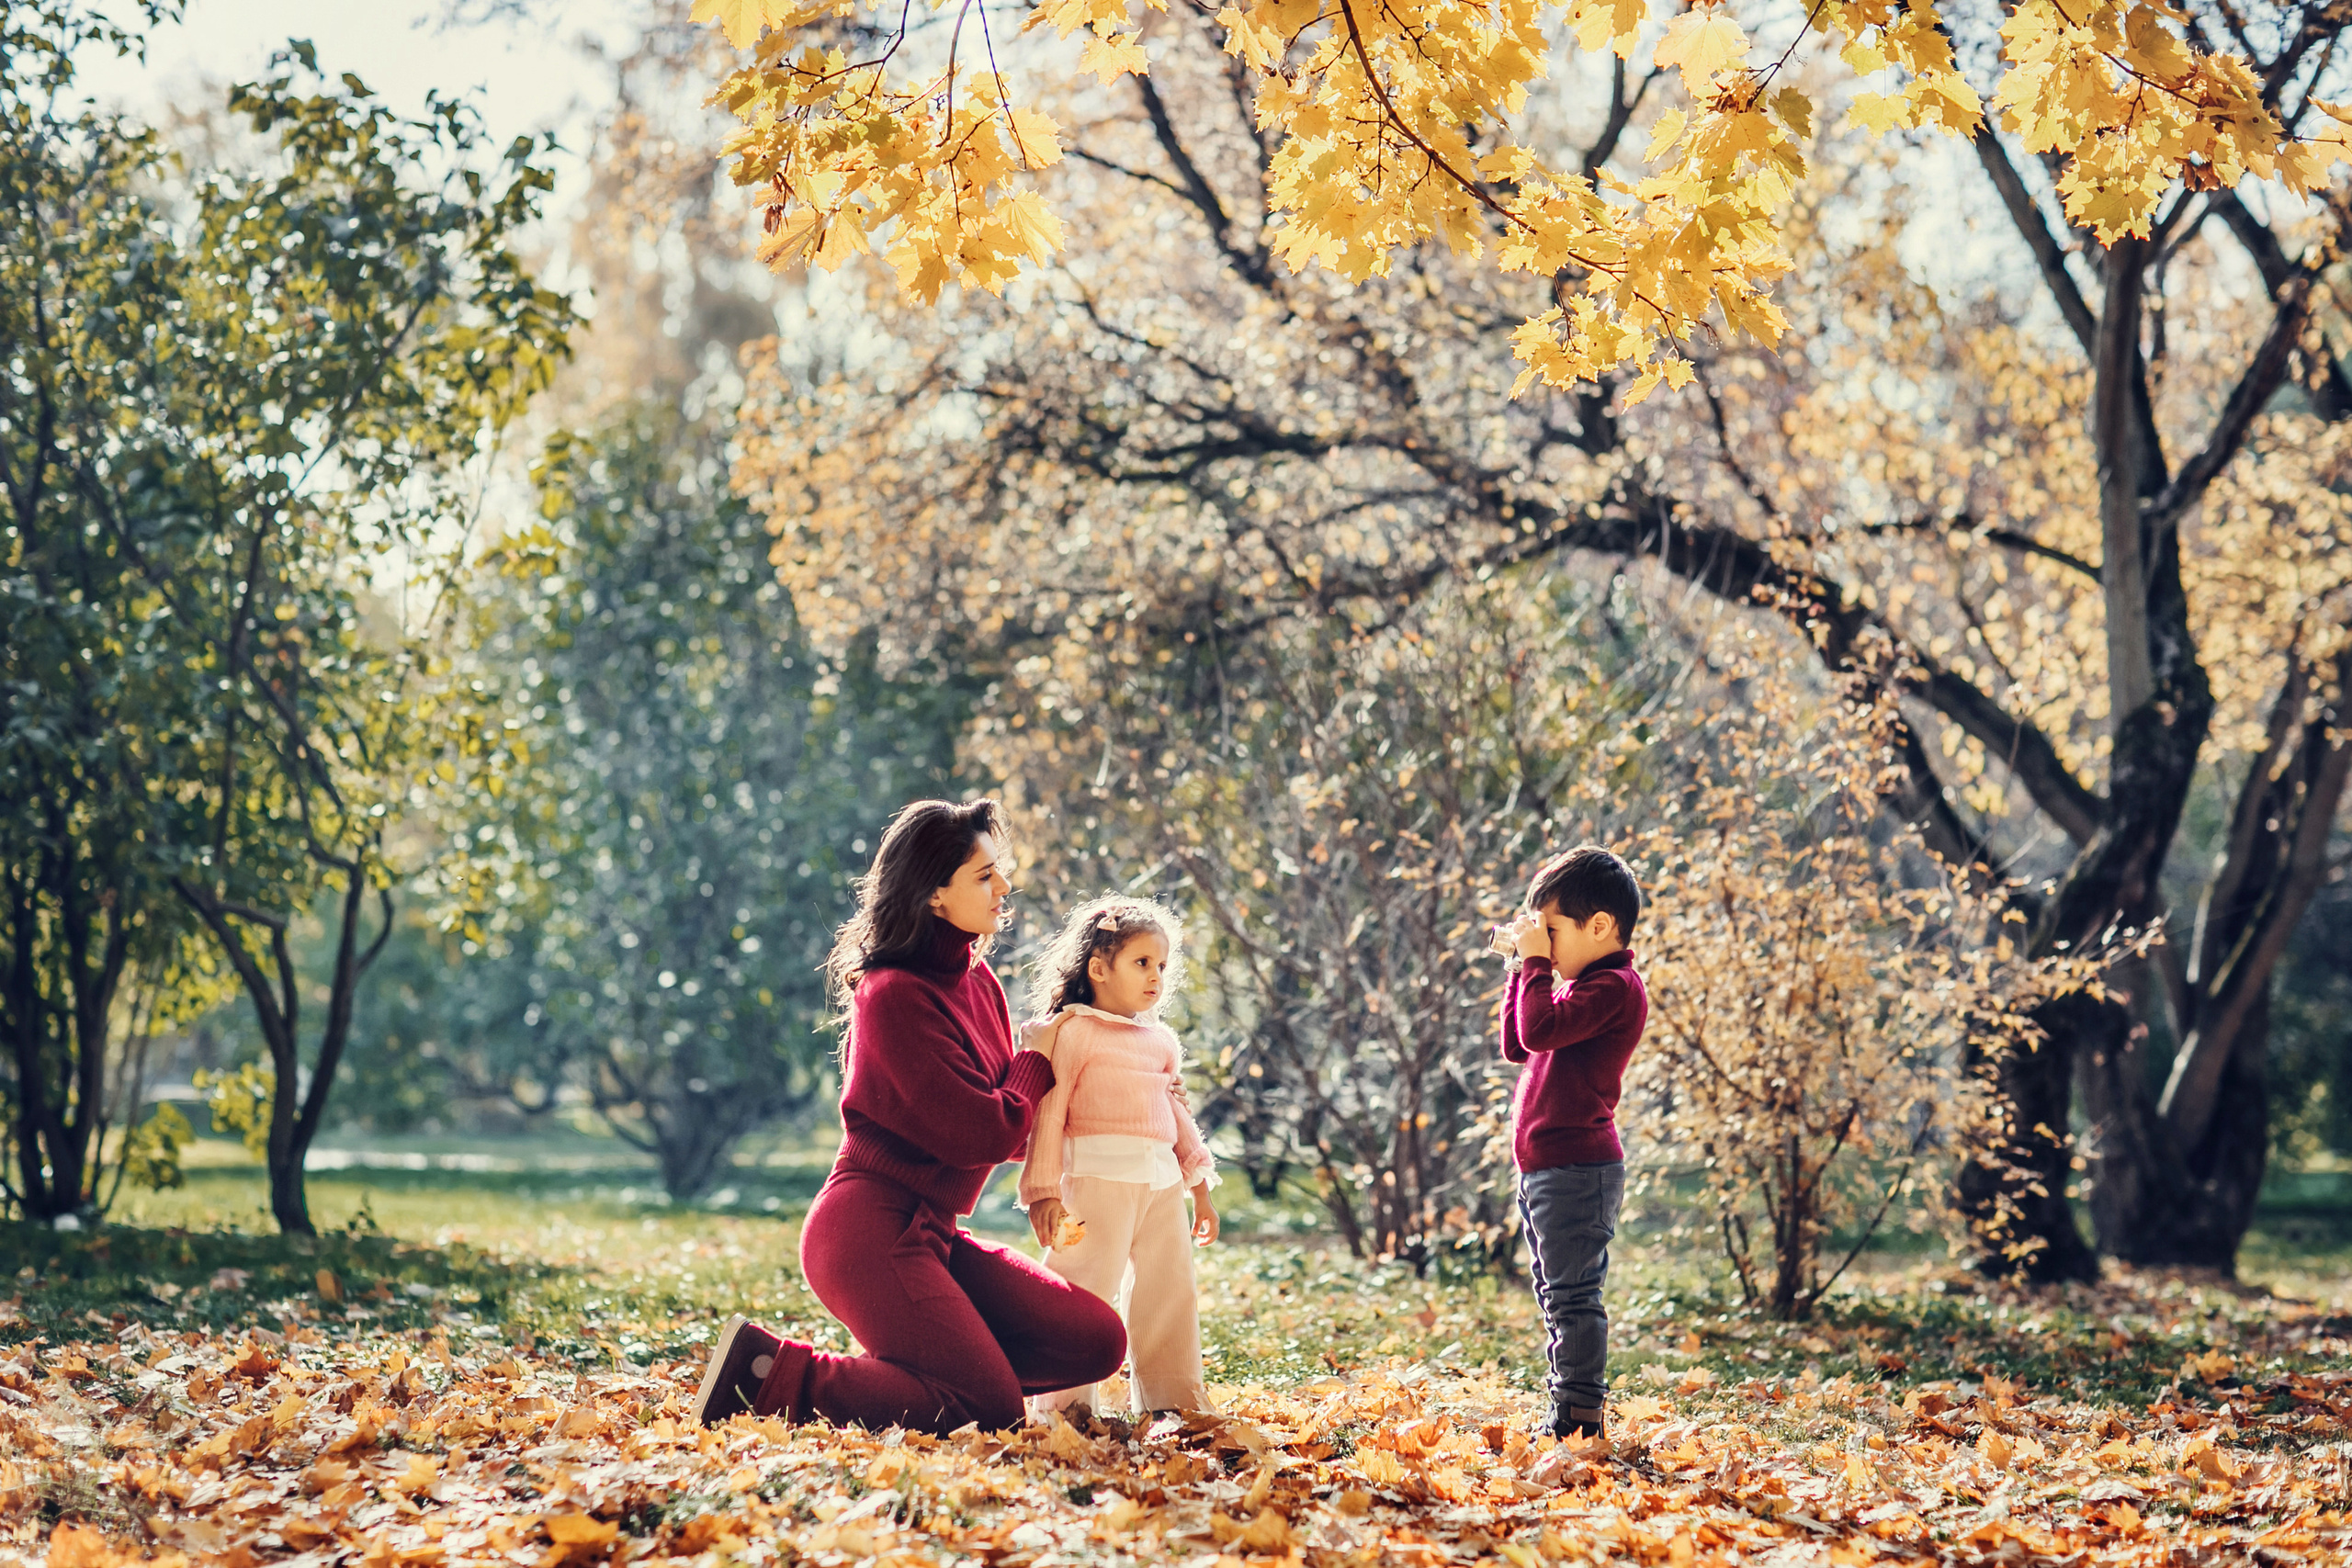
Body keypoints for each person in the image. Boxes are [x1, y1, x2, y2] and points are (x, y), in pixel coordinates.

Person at [688, 798, 1125, 1432]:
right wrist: (1036, 1060)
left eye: (998, 871)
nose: (1004, 886)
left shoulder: (978, 982)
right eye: (983, 875)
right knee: (990, 1408)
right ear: (933, 893)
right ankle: (765, 1374)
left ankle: (924, 1367)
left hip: (933, 1233)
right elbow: (986, 1128)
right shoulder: (892, 994)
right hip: (868, 1231)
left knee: (1095, 1339)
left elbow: (1010, 1129)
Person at [1018, 897, 1219, 1416]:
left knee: (1169, 1294)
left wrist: (1199, 1189)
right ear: (1100, 968)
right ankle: (1061, 1407)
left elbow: (1176, 1114)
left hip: (1161, 1188)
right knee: (1081, 1290)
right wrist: (1042, 1192)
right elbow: (1050, 1111)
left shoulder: (1161, 1041)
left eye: (1161, 966)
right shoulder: (1075, 1032)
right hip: (1095, 1184)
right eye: (1142, 963)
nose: (1155, 976)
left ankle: (1174, 1404)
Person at [1491, 844, 1648, 1442]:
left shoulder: (1615, 987)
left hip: (1579, 1166)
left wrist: (1535, 968)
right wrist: (1519, 967)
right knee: (1556, 1294)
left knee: (1574, 1296)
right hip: (1548, 1166)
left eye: (1552, 931)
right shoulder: (1575, 985)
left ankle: (1579, 1416)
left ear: (1600, 926)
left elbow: (1540, 1029)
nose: (1545, 946)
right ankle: (1569, 1410)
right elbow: (1518, 1042)